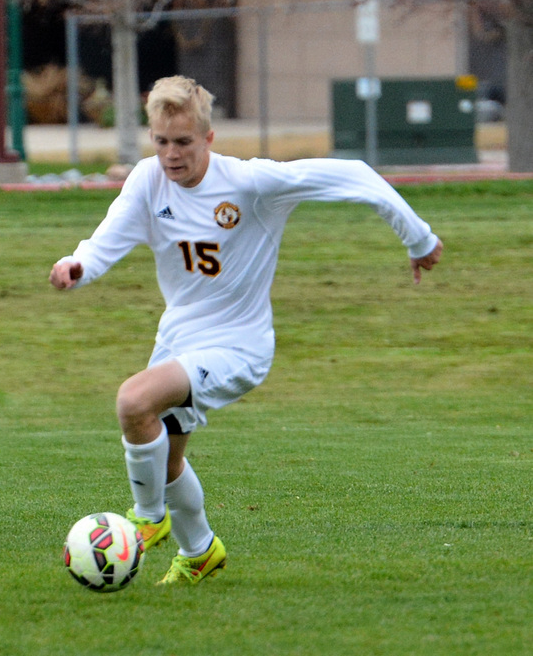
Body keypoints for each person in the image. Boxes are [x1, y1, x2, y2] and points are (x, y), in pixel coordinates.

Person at [49, 75, 442, 585]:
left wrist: (419, 238)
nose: (171, 154)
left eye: (184, 142)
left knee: (133, 402)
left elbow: (355, 175)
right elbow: (104, 242)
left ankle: (147, 519)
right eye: (162, 141)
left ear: (209, 138)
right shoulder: (148, 181)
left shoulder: (251, 184)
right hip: (178, 341)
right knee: (165, 457)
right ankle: (201, 553)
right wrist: (76, 266)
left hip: (239, 346)